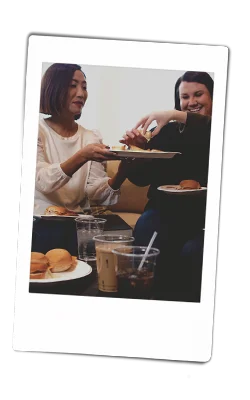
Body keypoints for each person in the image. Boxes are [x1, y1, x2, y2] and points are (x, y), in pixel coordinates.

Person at [120, 71, 213, 301]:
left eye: (198, 94)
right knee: (146, 224)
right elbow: (140, 179)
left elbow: (209, 126)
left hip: (204, 217)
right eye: (184, 97)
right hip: (164, 211)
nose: (191, 102)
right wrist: (139, 150)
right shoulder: (166, 131)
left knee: (194, 252)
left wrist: (173, 113)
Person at [32, 63, 128, 255]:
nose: (81, 93)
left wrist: (123, 172)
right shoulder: (36, 130)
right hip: (40, 221)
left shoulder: (90, 137)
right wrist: (82, 155)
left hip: (77, 222)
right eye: (72, 85)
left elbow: (95, 192)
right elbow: (42, 180)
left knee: (117, 234)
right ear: (54, 88)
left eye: (84, 86)